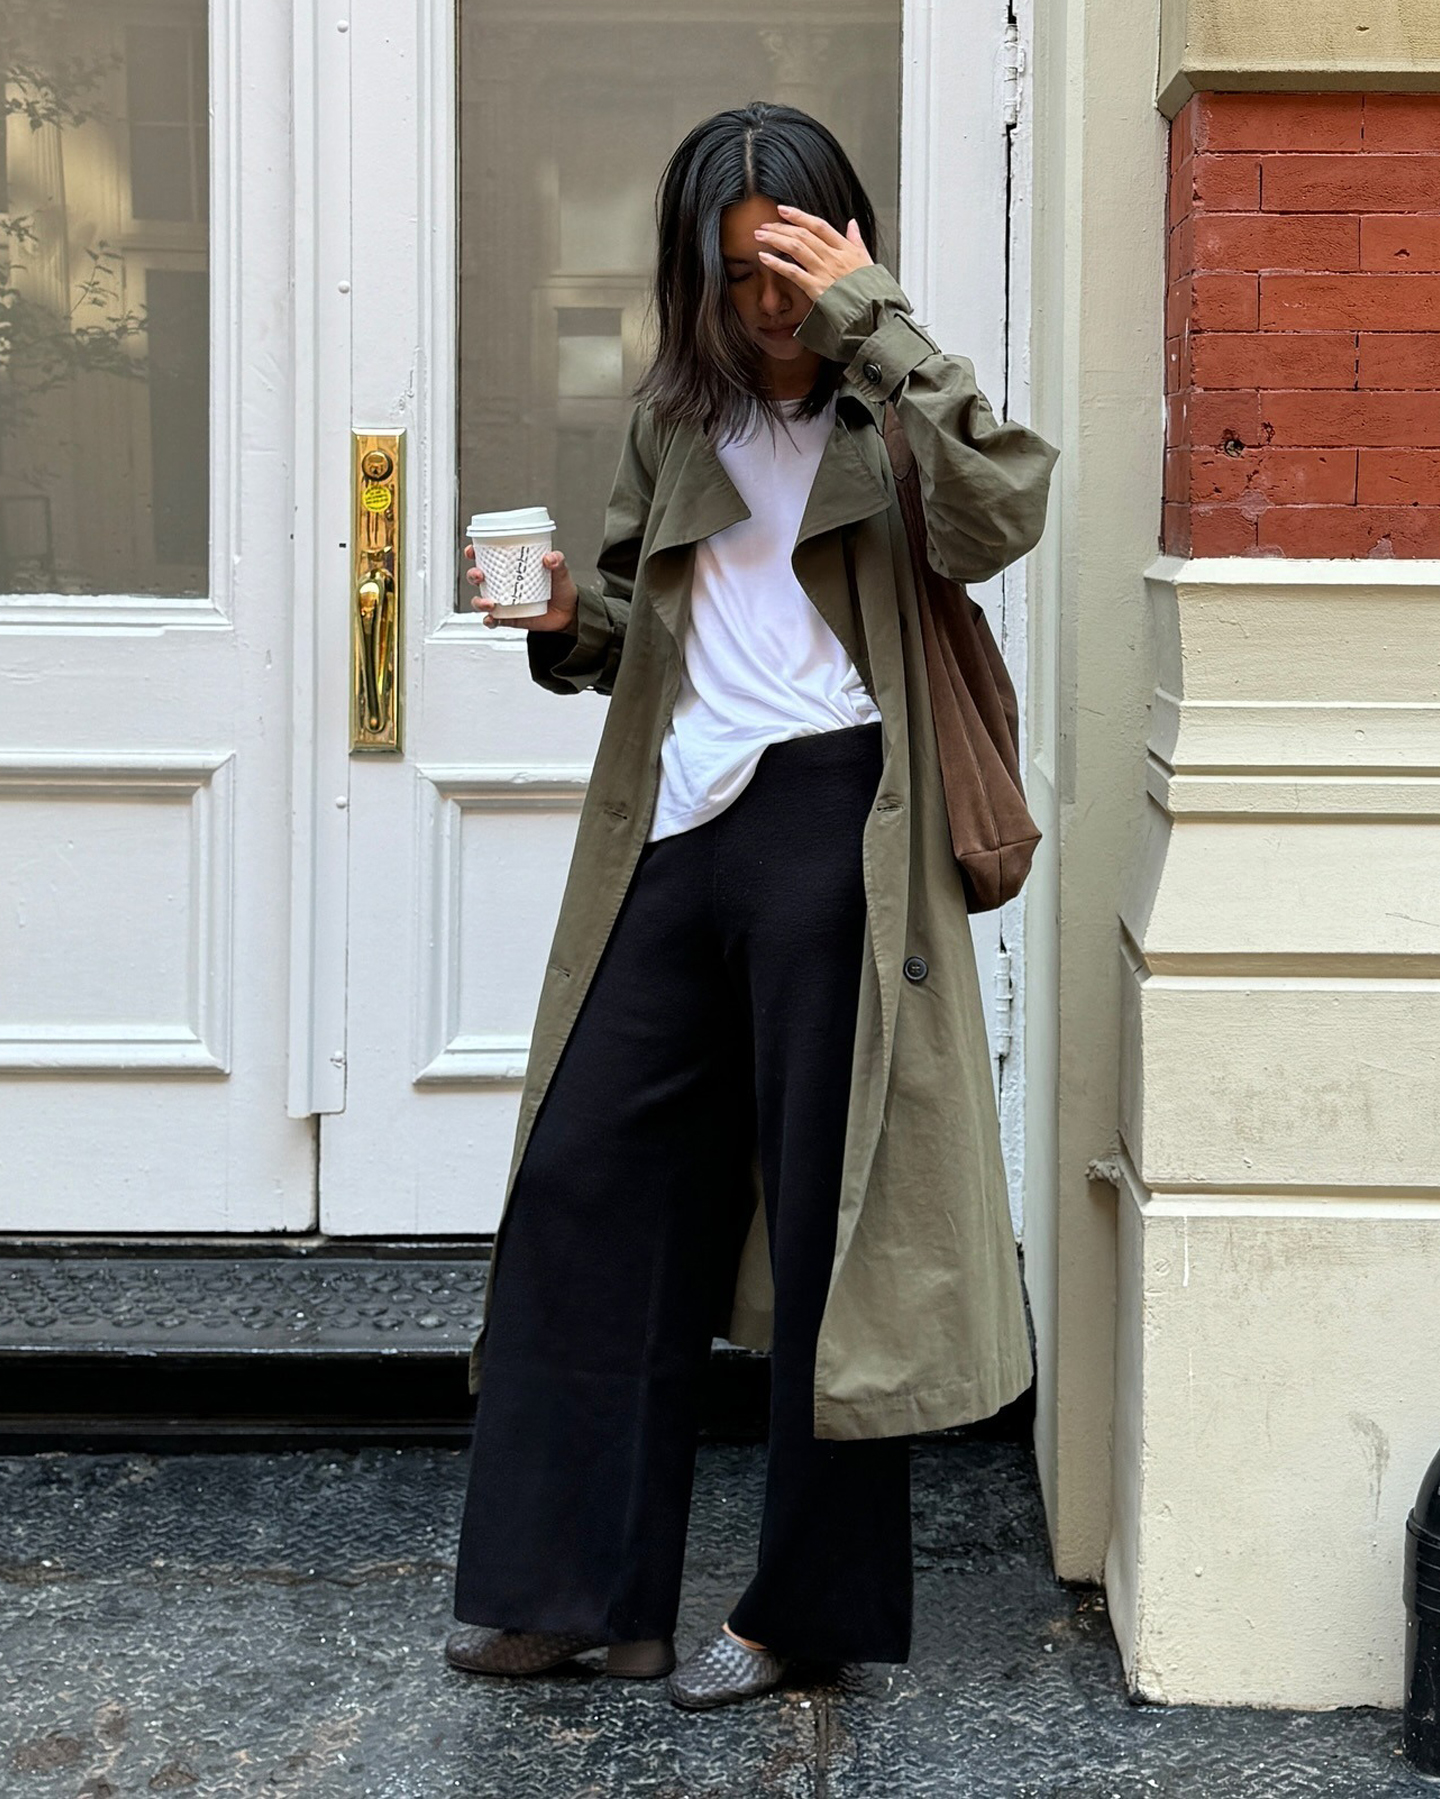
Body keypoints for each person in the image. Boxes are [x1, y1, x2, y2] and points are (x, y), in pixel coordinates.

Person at [445, 100, 1058, 1711]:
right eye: (737, 274)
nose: (768, 304)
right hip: (681, 825)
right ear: (692, 280)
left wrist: (880, 324)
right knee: (586, 1185)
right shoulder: (680, 422)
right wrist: (563, 618)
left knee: (832, 1222)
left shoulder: (893, 413)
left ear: (844, 252)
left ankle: (807, 1611)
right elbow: (640, 623)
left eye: (792, 267)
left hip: (837, 826)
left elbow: (1002, 512)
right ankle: (587, 1595)